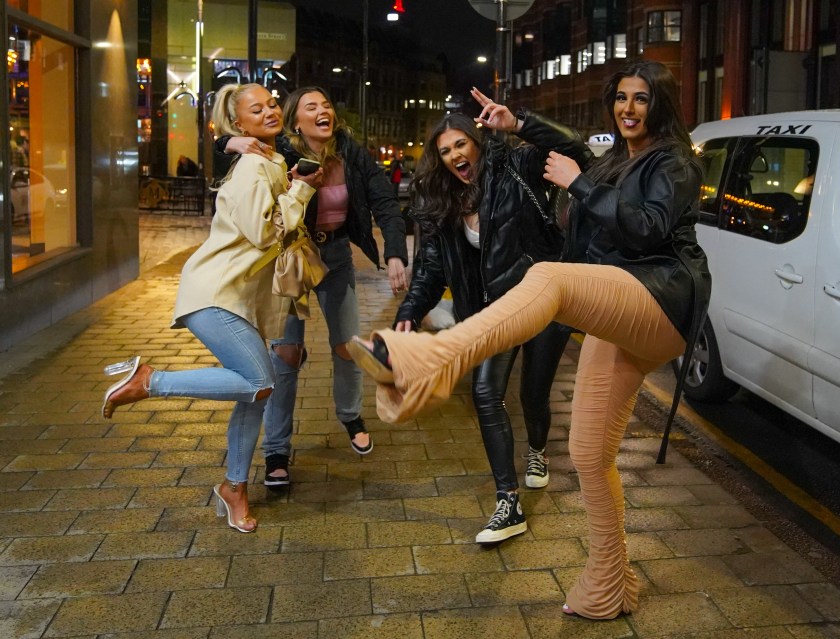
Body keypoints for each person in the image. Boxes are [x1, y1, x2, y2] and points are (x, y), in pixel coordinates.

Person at [348, 61, 710, 618]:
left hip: (661, 295)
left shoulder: (675, 160)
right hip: (618, 304)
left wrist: (577, 183)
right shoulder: (617, 157)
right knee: (589, 455)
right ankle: (610, 583)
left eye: (641, 99)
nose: (628, 109)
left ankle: (435, 359)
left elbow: (647, 227)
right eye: (620, 98)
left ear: (661, 104)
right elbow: (571, 154)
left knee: (545, 276)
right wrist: (520, 123)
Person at [100, 83, 322, 533]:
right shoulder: (252, 169)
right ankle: (151, 381)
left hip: (238, 298)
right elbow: (266, 233)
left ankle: (233, 488)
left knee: (252, 395)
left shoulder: (274, 161)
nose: (270, 111)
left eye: (273, 104)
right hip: (215, 294)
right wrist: (301, 191)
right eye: (256, 110)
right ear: (240, 124)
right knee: (261, 381)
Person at [396, 101, 587, 544]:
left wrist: (520, 122)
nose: (454, 156)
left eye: (461, 144)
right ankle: (508, 501)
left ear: (477, 143)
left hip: (544, 300)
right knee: (486, 392)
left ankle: (537, 450)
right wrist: (409, 311)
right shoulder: (442, 198)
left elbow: (574, 146)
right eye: (444, 151)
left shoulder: (517, 164)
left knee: (534, 395)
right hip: (496, 311)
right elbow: (430, 267)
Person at [217, 86, 408, 486]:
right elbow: (227, 152)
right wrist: (228, 141)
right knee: (285, 355)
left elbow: (385, 201)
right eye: (311, 107)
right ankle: (277, 451)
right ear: (296, 120)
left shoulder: (350, 152)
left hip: (336, 257)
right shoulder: (281, 149)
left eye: (326, 104)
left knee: (346, 344)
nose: (323, 110)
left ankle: (350, 415)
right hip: (289, 261)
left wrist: (394, 253)